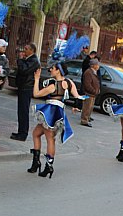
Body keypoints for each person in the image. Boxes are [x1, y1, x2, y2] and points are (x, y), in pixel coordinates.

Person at [27, 33, 87, 178]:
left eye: (52, 68)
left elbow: (36, 94)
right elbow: (78, 96)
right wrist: (76, 106)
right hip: (58, 112)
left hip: (50, 112)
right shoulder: (68, 82)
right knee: (36, 134)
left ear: (58, 70)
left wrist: (36, 79)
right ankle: (37, 163)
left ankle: (48, 166)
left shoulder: (53, 86)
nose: (50, 70)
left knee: (49, 139)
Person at [11, 43, 40, 141]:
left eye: (26, 49)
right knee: (21, 111)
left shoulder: (34, 61)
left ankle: (23, 133)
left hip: (26, 88)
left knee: (24, 111)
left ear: (32, 50)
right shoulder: (28, 60)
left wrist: (20, 59)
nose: (24, 51)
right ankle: (20, 131)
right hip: (22, 87)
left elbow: (24, 70)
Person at [80, 59, 101, 127]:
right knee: (87, 107)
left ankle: (87, 118)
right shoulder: (88, 72)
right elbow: (87, 84)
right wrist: (94, 91)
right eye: (97, 64)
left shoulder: (94, 72)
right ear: (93, 65)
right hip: (88, 94)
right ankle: (84, 120)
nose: (98, 66)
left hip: (93, 94)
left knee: (90, 107)